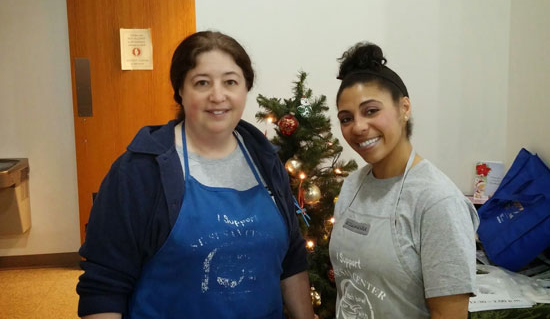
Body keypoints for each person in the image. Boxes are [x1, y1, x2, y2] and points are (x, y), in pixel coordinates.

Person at [77, 31, 315, 319]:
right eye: (202, 82)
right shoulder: (140, 170)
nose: (218, 96)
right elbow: (104, 284)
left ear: (245, 89)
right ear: (180, 89)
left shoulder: (265, 160)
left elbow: (291, 258)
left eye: (230, 82)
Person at [328, 42, 478, 319]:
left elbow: (450, 315)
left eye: (371, 111)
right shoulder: (351, 185)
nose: (358, 127)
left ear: (404, 108)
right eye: (346, 118)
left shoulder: (437, 201)